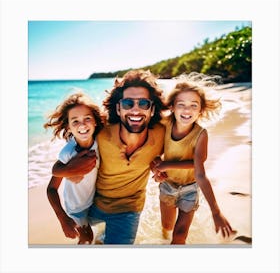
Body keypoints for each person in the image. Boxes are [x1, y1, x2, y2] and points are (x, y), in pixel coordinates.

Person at [52, 69, 166, 244]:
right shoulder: (100, 133)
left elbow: (187, 134)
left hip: (128, 209)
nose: (135, 110)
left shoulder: (162, 133)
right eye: (128, 103)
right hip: (92, 205)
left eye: (143, 103)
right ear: (118, 108)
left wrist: (163, 168)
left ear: (152, 109)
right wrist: (69, 169)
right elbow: (59, 168)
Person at [150, 72, 236, 244]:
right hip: (168, 185)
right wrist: (157, 168)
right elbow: (154, 155)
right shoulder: (164, 125)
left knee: (180, 235)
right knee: (167, 227)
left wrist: (216, 212)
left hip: (190, 188)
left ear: (201, 110)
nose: (187, 110)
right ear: (172, 107)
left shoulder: (201, 135)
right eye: (181, 104)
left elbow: (199, 170)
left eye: (193, 105)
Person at [44, 91, 104, 244]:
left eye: (87, 118)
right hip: (77, 208)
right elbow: (51, 189)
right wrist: (63, 219)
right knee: (86, 239)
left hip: (96, 200)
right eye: (75, 121)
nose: (82, 125)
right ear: (68, 127)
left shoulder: (102, 142)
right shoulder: (68, 153)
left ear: (96, 121)